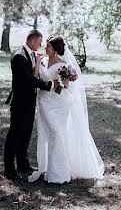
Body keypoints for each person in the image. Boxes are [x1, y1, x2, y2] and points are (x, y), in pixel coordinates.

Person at [29, 35, 105, 183]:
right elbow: (35, 77)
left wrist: (64, 83)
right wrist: (38, 61)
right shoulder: (43, 61)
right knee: (49, 133)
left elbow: (67, 86)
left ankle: (59, 172)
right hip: (44, 102)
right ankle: (47, 167)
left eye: (48, 46)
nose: (45, 48)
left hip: (59, 103)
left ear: (55, 49)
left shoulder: (63, 65)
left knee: (57, 133)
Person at [3, 29, 58, 181]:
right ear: (32, 41)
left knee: (25, 134)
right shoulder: (19, 56)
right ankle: (9, 169)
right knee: (14, 134)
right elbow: (29, 80)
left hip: (29, 101)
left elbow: (35, 73)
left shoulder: (32, 54)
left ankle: (23, 164)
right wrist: (49, 85)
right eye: (40, 42)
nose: (41, 45)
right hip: (20, 102)